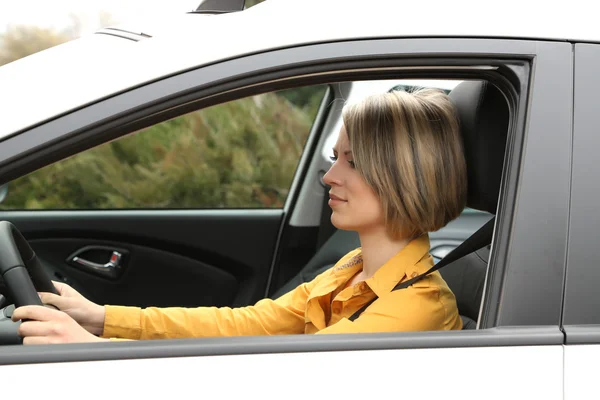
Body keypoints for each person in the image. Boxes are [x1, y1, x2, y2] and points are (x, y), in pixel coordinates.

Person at [12, 88, 468, 344]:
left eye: (353, 162)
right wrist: (100, 317)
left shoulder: (411, 312)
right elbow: (247, 324)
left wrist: (93, 352)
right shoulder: (351, 270)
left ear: (403, 176)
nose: (329, 177)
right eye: (334, 159)